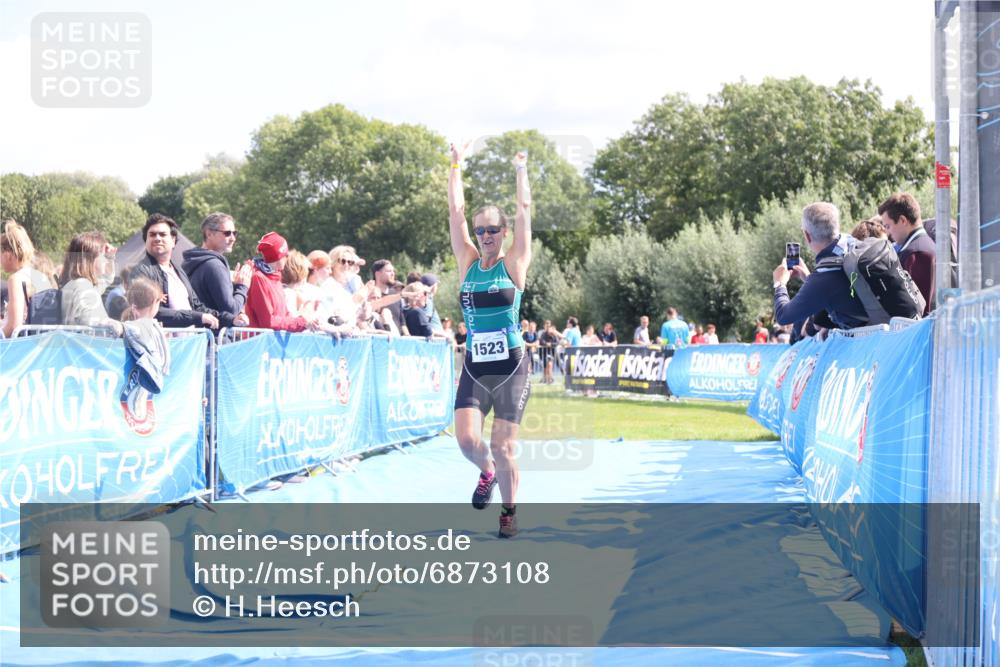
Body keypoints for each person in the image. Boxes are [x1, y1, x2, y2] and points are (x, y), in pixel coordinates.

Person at [449, 142, 532, 538]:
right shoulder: (466, 262)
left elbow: (525, 213)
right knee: (467, 442)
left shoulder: (513, 262)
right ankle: (487, 473)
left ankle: (509, 511)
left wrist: (520, 171)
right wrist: (455, 166)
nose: (484, 235)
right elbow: (455, 213)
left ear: (503, 234)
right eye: (479, 230)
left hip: (511, 366)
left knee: (503, 447)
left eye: (492, 230)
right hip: (475, 366)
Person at [772, 202, 869, 331]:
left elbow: (783, 316)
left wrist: (779, 284)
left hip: (866, 343)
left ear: (807, 235)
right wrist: (808, 278)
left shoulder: (824, 275)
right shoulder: (856, 245)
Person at [131, 214, 227, 330]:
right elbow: (153, 312)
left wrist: (230, 319)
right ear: (146, 240)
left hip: (188, 342)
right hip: (164, 344)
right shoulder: (141, 271)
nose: (157, 238)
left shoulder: (178, 270)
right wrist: (198, 317)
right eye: (152, 235)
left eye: (162, 234)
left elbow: (197, 307)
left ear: (173, 240)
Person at [247, 232, 349, 335]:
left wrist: (306, 321)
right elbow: (268, 321)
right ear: (278, 256)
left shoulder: (276, 277)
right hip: (259, 345)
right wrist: (302, 322)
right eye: (285, 255)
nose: (287, 258)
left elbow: (285, 315)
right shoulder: (259, 278)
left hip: (274, 344)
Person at [181, 212, 252, 319]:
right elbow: (231, 311)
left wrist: (231, 286)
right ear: (209, 234)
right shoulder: (214, 265)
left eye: (234, 233)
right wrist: (242, 286)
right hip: (214, 333)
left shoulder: (193, 260)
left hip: (200, 331)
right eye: (227, 233)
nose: (233, 238)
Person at [879, 193, 934, 315]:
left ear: (903, 220)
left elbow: (919, 309)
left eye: (888, 226)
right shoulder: (918, 247)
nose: (887, 233)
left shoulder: (917, 253)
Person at [59, 231, 123, 334]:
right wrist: (116, 325)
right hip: (86, 347)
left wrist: (110, 258)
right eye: (103, 255)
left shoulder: (76, 284)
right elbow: (89, 319)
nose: (105, 259)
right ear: (90, 258)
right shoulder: (82, 285)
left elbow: (107, 279)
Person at [1, 220, 35, 338]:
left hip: (17, 348)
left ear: (8, 254)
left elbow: (14, 326)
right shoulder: (38, 275)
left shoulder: (15, 279)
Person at [371, 259, 407, 335]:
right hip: (380, 340)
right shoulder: (371, 295)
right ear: (377, 274)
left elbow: (402, 322)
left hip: (398, 341)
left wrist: (407, 336)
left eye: (393, 271)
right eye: (388, 271)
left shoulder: (395, 295)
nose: (392, 274)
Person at [538, 319, 561, 384]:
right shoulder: (543, 333)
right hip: (544, 352)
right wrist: (546, 344)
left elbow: (557, 342)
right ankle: (546, 379)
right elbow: (541, 341)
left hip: (552, 352)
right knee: (546, 366)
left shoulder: (554, 334)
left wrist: (551, 344)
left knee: (550, 365)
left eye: (549, 324)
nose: (548, 326)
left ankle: (550, 379)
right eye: (546, 324)